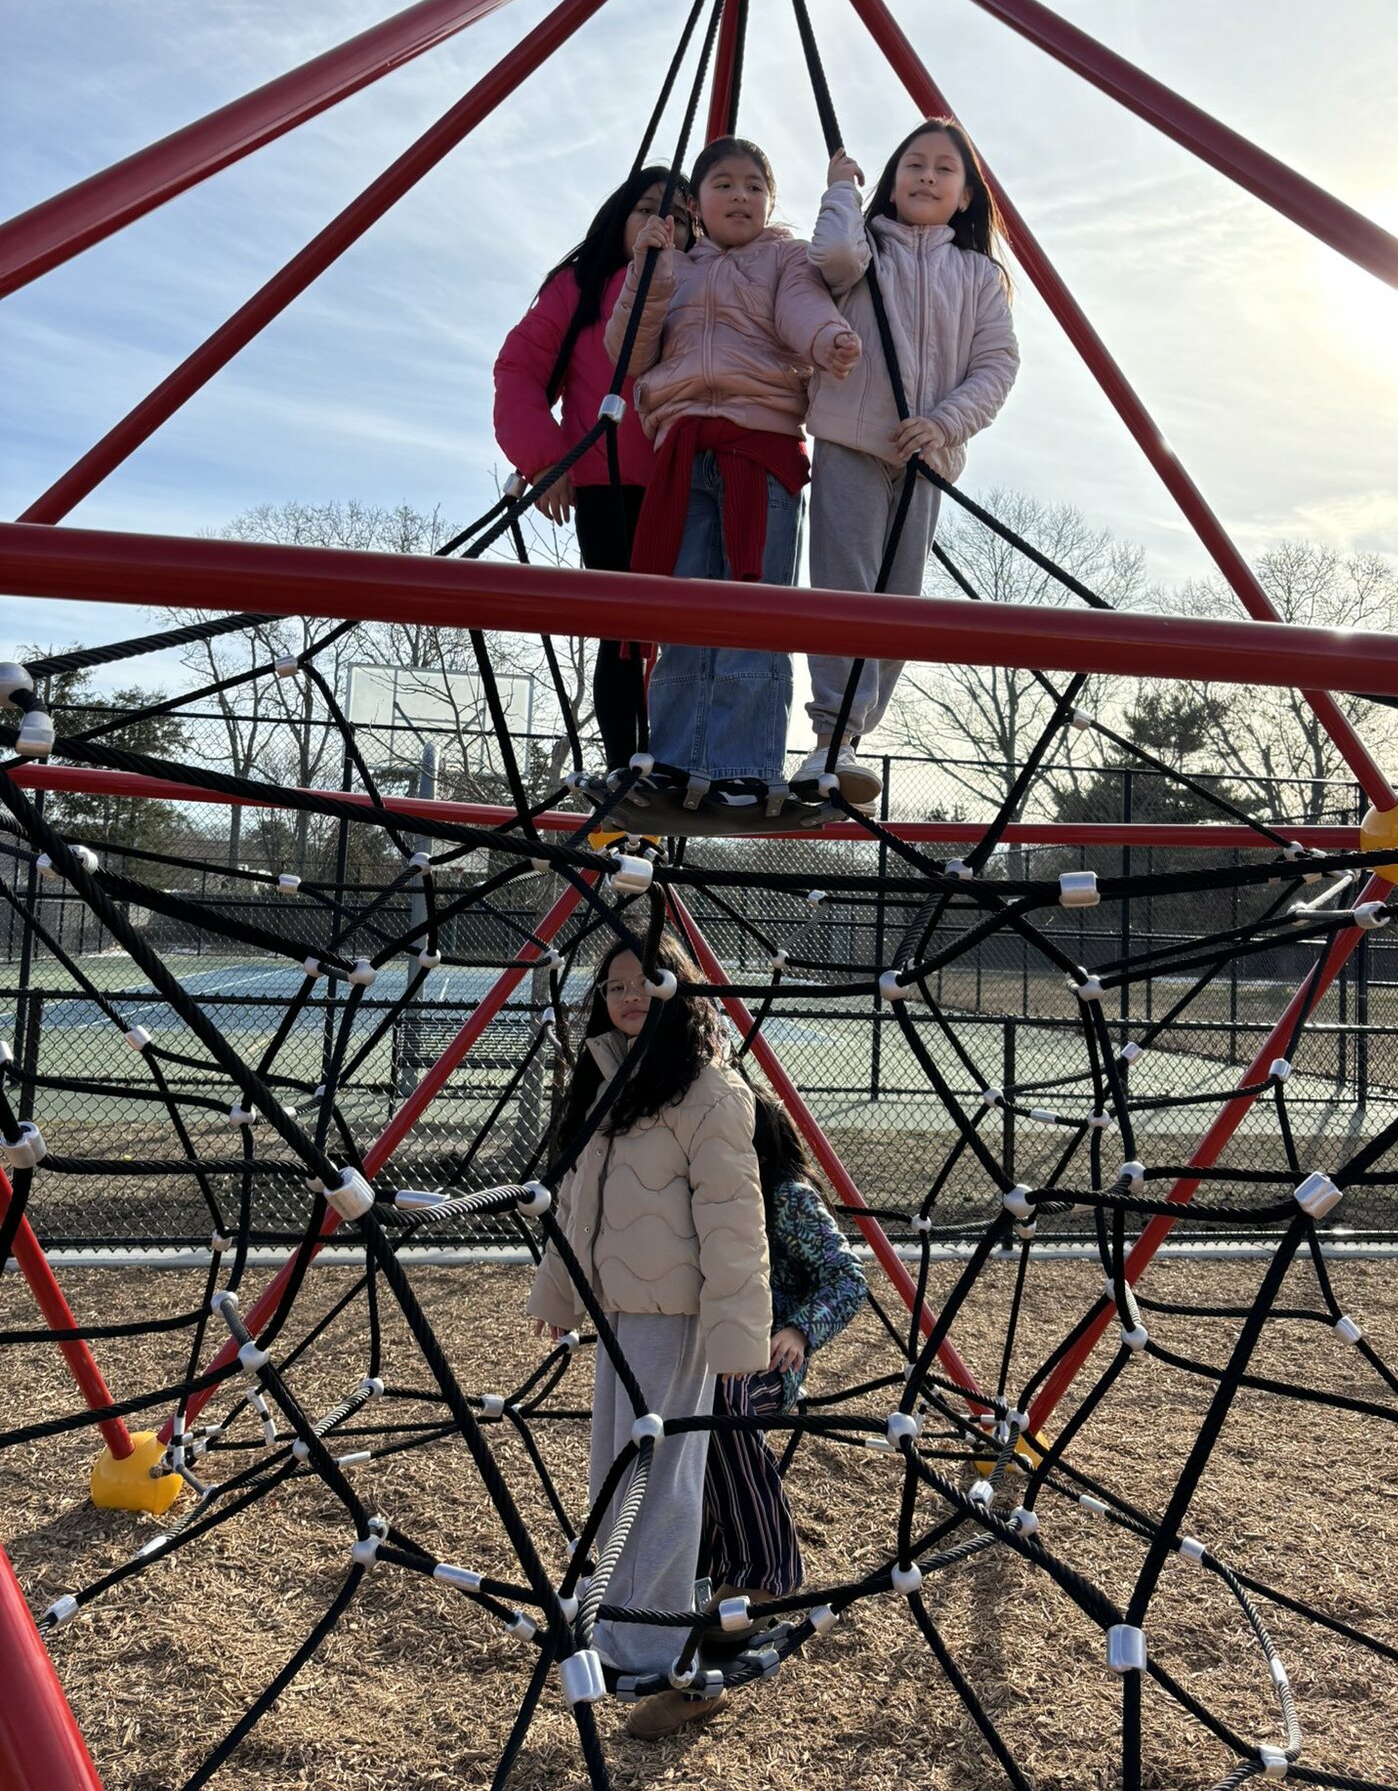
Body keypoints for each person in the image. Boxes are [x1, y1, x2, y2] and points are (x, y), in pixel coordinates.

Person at [526, 930, 770, 1737]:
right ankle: (628, 1627)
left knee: (658, 1480)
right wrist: (559, 1294)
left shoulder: (708, 1090)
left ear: (679, 991)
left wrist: (740, 1344)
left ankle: (650, 1654)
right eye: (616, 983)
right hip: (623, 1309)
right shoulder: (611, 1080)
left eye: (647, 981)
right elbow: (579, 1204)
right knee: (617, 1469)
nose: (630, 995)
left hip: (679, 1316)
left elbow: (735, 1223)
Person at [604, 136, 861, 806]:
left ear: (771, 201)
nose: (740, 195)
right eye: (724, 184)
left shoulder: (782, 258)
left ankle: (744, 766)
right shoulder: (674, 266)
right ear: (696, 202)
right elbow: (628, 351)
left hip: (761, 449)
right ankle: (675, 760)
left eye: (754, 185)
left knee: (754, 610)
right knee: (686, 613)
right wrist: (648, 268)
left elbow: (800, 306)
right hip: (685, 451)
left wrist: (826, 337)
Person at [797, 120, 1020, 804]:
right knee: (845, 586)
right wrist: (840, 190)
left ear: (965, 196)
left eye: (944, 169)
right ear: (890, 183)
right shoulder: (865, 252)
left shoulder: (980, 274)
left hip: (926, 454)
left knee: (900, 601)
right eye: (914, 165)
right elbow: (829, 252)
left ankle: (854, 734)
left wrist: (945, 423)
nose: (927, 176)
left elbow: (997, 364)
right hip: (854, 440)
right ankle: (831, 737)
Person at [493, 169, 693, 772]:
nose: (667, 226)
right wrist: (549, 461)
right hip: (610, 479)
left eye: (684, 219)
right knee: (625, 634)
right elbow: (519, 371)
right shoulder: (581, 287)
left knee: (694, 631)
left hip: (690, 479)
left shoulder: (703, 282)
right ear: (620, 221)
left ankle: (690, 765)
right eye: (650, 212)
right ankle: (625, 768)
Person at [699, 1088, 866, 1619]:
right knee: (679, 1417)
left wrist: (799, 1329)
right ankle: (702, 1562)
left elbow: (847, 1277)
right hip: (716, 1349)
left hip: (770, 1361)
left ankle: (766, 1568)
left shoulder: (788, 1198)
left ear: (759, 1152)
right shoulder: (709, 1195)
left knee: (724, 1408)